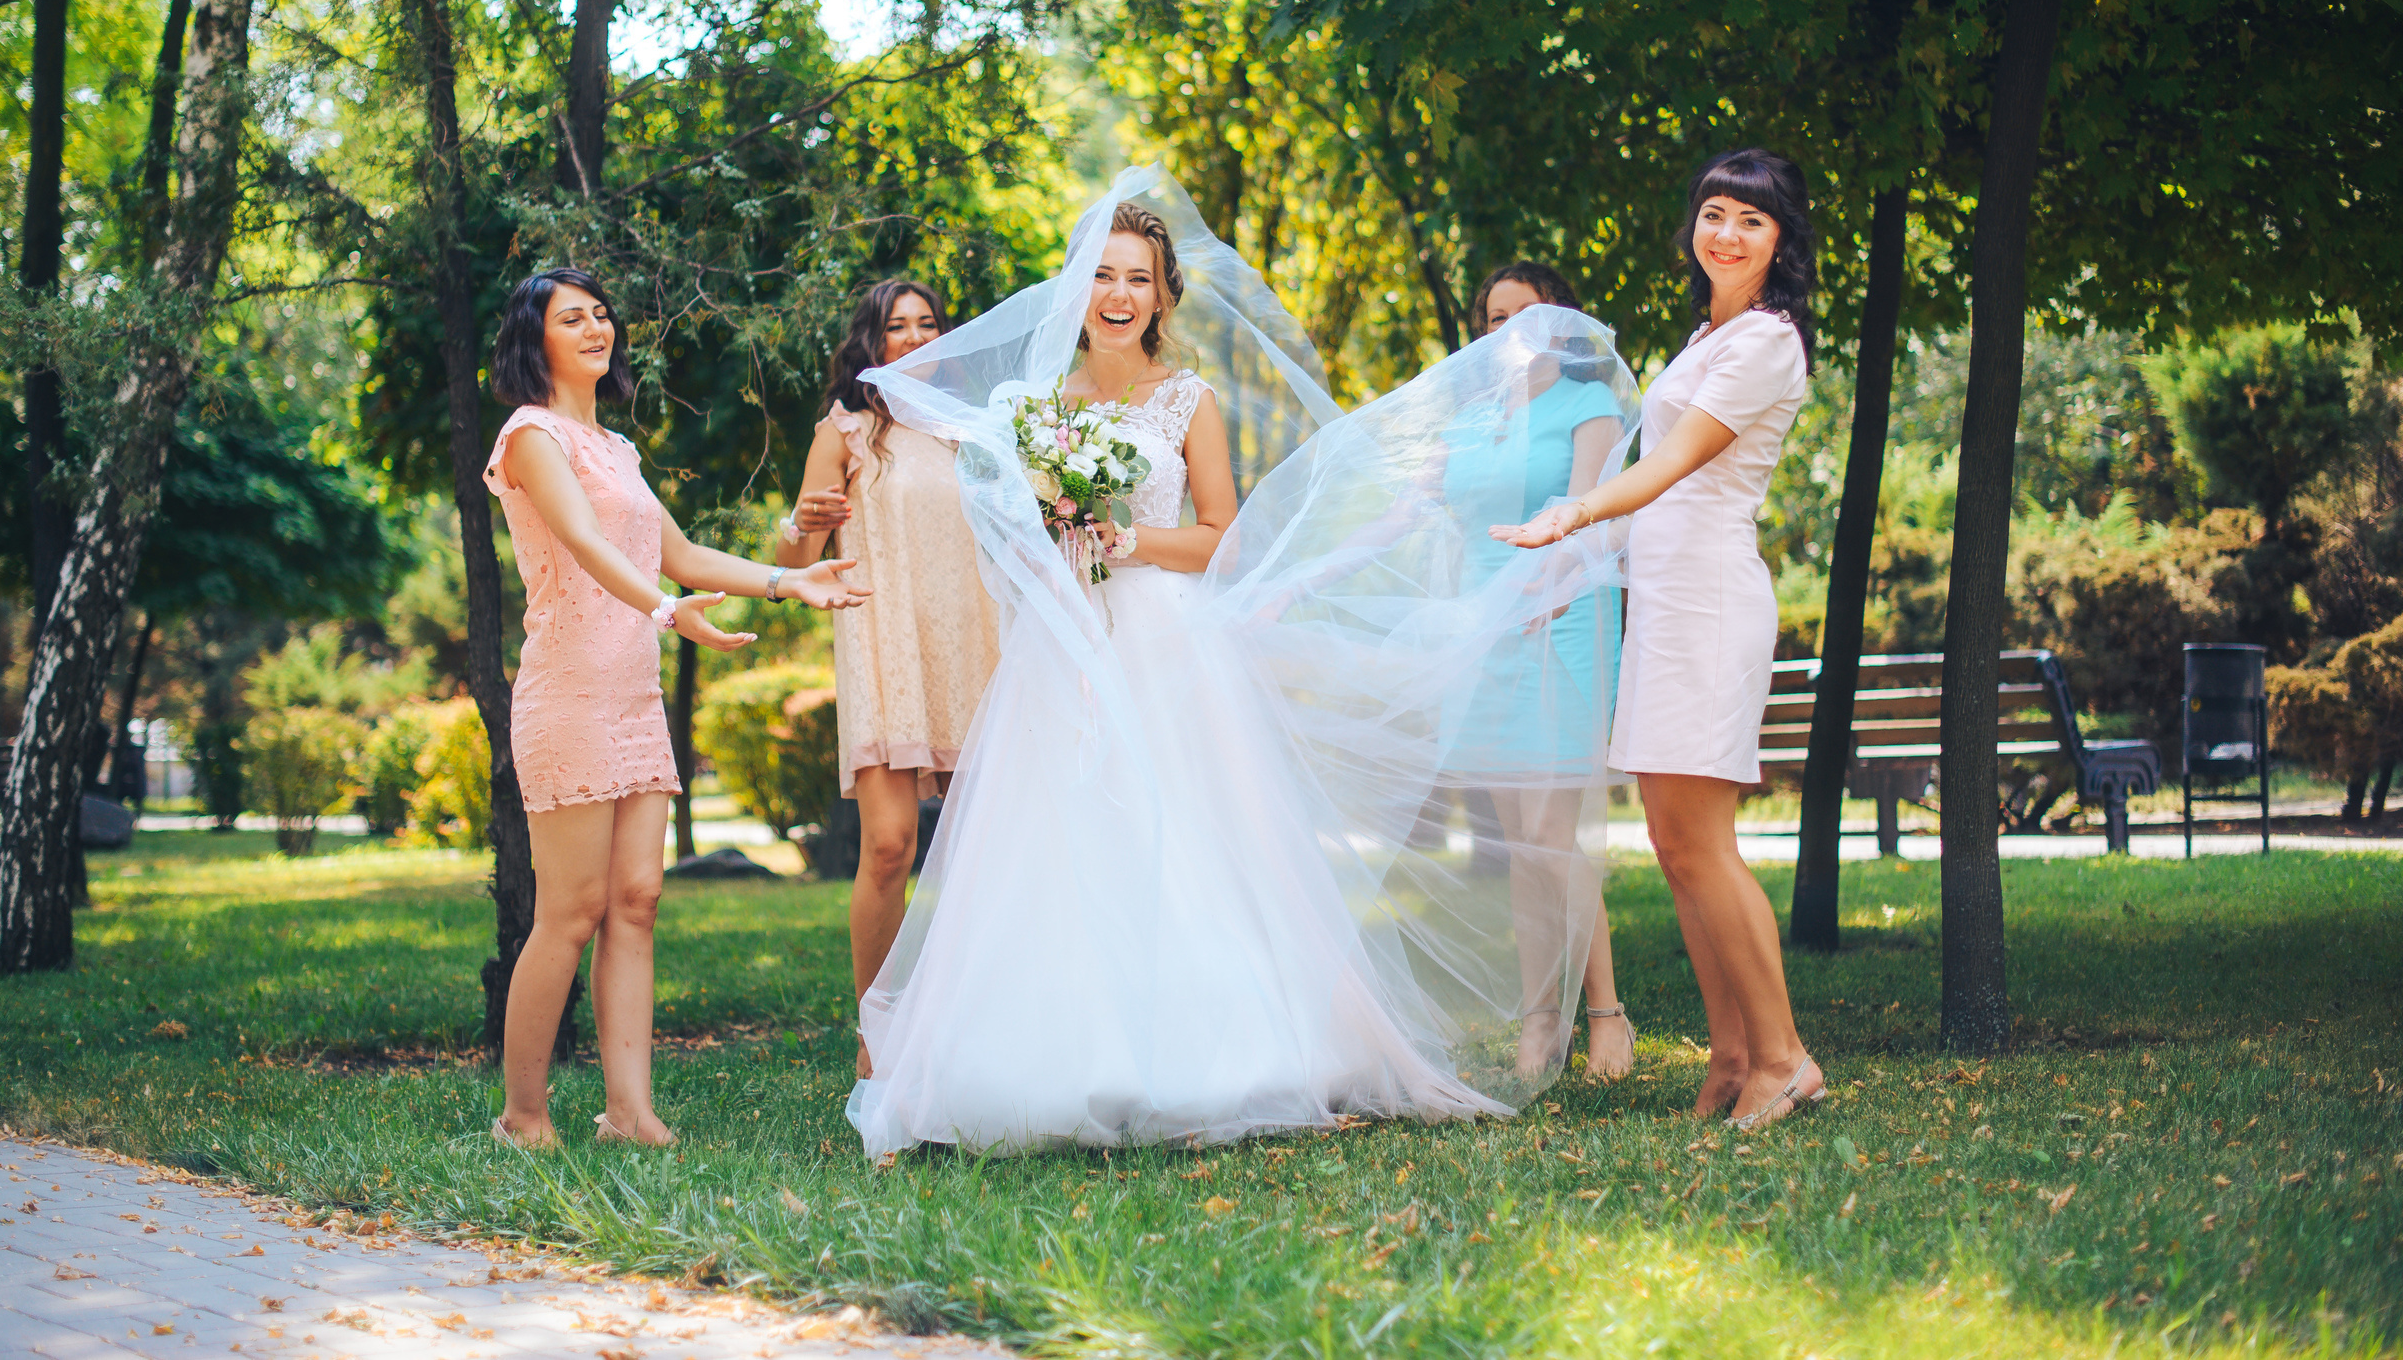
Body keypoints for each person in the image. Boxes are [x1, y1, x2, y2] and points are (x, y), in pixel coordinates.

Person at [845, 171, 1633, 1157]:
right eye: (1102, 274)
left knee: (1185, 835)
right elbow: (1013, 533)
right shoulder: (1036, 408)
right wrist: (1052, 541)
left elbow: (1218, 534)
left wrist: (1125, 540)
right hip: (1063, 649)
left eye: (1138, 276)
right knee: (1059, 840)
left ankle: (1212, 1054)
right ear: (1077, 291)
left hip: (1164, 638)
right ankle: (1051, 1054)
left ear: (1163, 295)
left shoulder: (1187, 398)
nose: (1119, 293)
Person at [481, 267, 870, 1149]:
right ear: (532, 339)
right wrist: (661, 609)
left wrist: (786, 579)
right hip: (569, 692)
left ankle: (630, 1112)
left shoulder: (616, 448)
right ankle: (523, 1115)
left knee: (639, 899)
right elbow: (580, 541)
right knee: (569, 911)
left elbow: (683, 552)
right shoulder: (529, 435)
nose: (596, 328)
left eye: (602, 315)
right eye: (570, 317)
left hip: (631, 695)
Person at [1492, 149, 1824, 1130]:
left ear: (1781, 241)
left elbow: (1672, 466)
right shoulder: (1705, 338)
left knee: (1704, 844)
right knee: (1674, 844)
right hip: (1665, 598)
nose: (1725, 233)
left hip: (1710, 601)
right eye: (1713, 213)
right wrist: (1567, 570)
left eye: (1751, 221)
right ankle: (1728, 1056)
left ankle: (1784, 1055)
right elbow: (1646, 507)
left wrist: (1573, 509)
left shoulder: (1765, 342)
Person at [774, 280, 1000, 1077]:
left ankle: (981, 1025)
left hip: (974, 646)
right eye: (894, 326)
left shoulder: (973, 434)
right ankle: (877, 1037)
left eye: (926, 325)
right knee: (890, 845)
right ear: (870, 342)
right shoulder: (845, 430)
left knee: (988, 851)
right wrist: (798, 526)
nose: (910, 338)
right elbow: (797, 559)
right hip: (885, 648)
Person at [1450, 263, 1632, 1081]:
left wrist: (1555, 585)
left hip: (1566, 619)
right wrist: (1295, 580)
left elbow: (1597, 514)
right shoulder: (1471, 418)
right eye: (1495, 317)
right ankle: (1538, 1020)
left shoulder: (1586, 404)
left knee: (1554, 834)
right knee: (1522, 840)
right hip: (1491, 630)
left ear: (1559, 323)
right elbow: (1409, 508)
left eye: (1526, 313)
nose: (1510, 328)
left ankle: (1606, 1015)